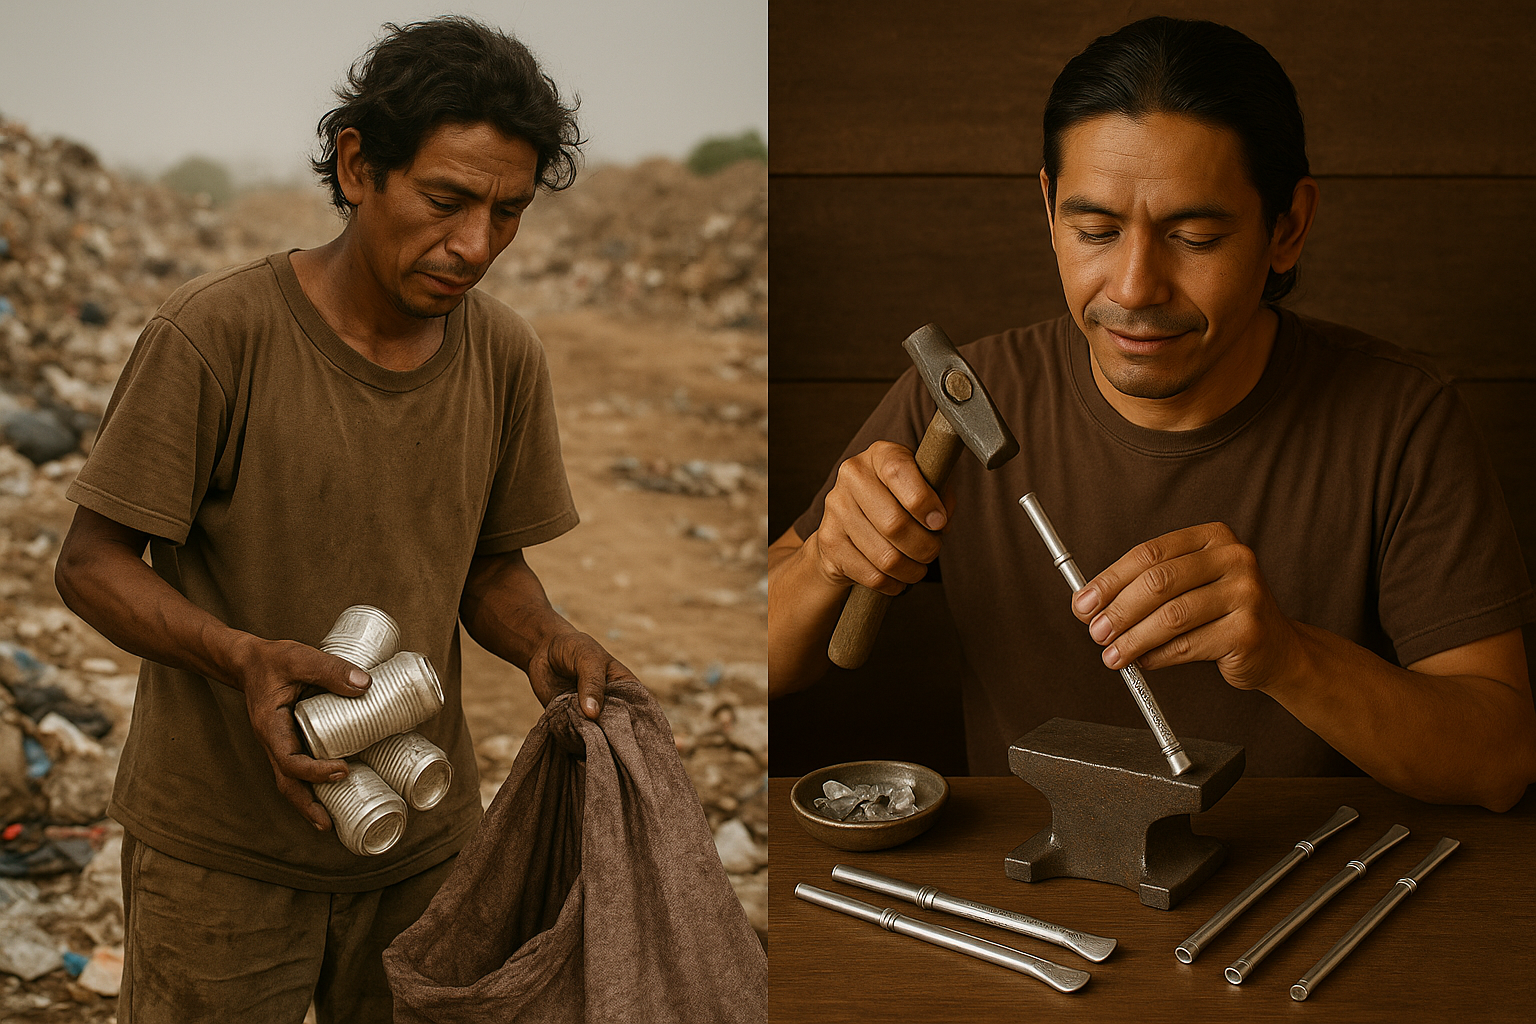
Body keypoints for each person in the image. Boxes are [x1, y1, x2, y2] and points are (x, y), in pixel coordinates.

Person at [768, 17, 1535, 812]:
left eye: (1194, 236)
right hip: (1029, 893)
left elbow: (1499, 759)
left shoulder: (1402, 418)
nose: (1134, 288)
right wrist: (826, 559)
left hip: (1299, 882)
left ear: (1288, 227)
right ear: (1048, 204)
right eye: (1094, 229)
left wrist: (1288, 658)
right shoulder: (964, 396)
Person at [54, 17, 637, 1023]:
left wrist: (543, 636)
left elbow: (488, 568)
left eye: (507, 213)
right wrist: (244, 658)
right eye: (447, 199)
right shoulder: (215, 338)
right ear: (358, 164)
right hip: (221, 861)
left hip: (421, 847)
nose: (475, 245)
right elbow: (92, 564)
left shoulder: (502, 356)